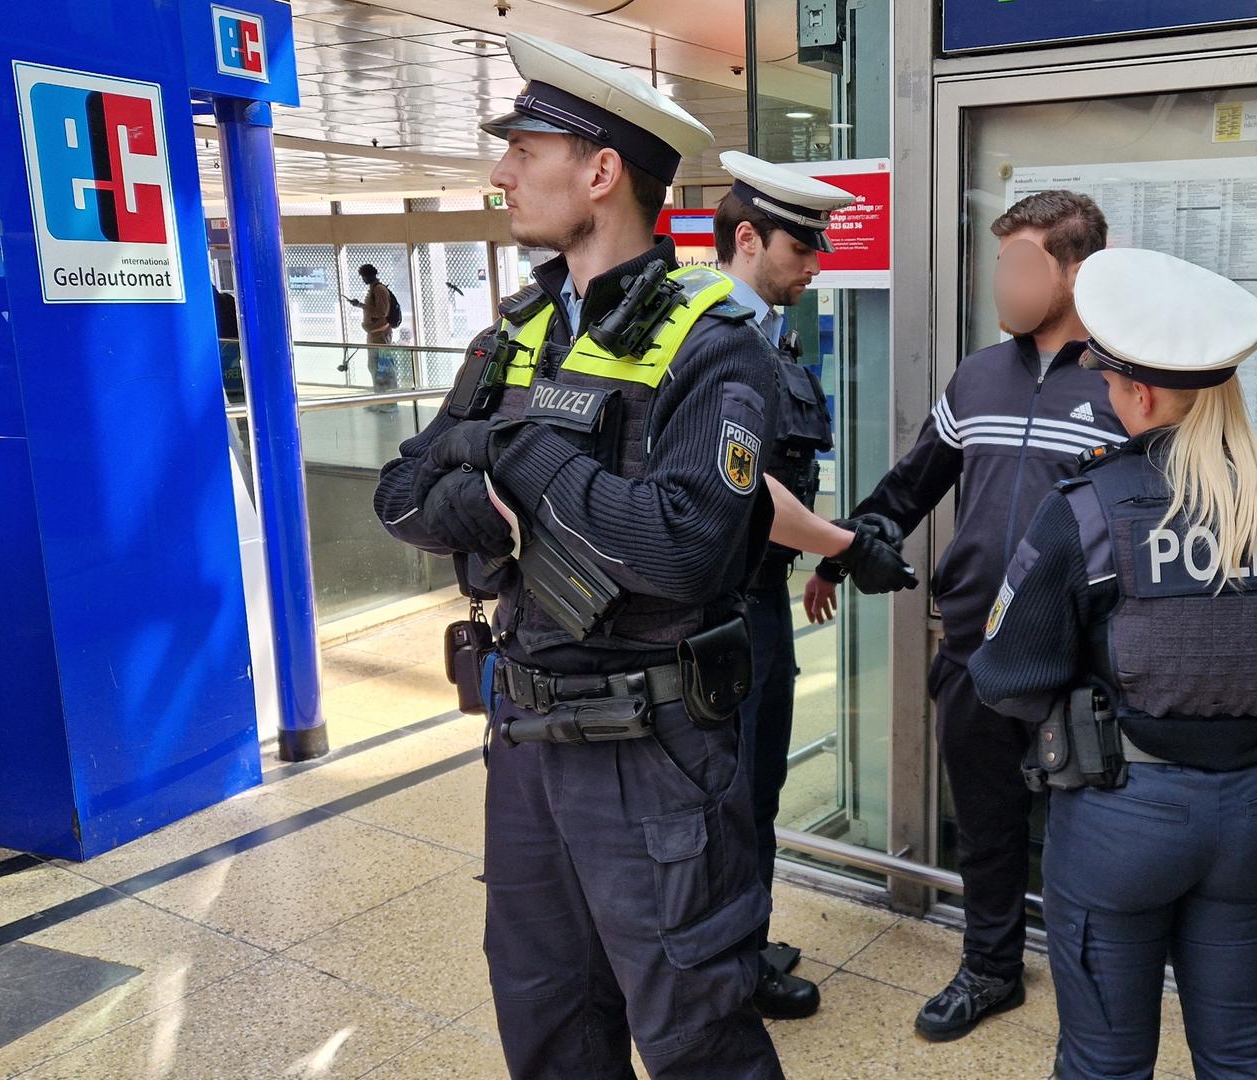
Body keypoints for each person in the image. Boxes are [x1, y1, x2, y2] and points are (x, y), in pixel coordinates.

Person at [373, 34, 785, 1080]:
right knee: (547, 1017)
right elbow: (403, 495)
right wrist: (508, 480)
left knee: (698, 1035)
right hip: (525, 734)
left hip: (655, 749)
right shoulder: (514, 333)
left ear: (600, 173)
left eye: (525, 149)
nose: (502, 172)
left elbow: (680, 549)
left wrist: (516, 454)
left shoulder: (712, 341)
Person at [969, 247, 1257, 1080]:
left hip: (1120, 817)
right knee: (1245, 1054)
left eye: (1112, 385)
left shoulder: (1084, 510)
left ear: (1140, 392)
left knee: (1105, 1062)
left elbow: (1007, 677)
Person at [806, 190, 1128, 1041]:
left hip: (1083, 659)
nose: (1002, 283)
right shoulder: (979, 374)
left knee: (1088, 832)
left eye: (1022, 266)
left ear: (1077, 273)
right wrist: (848, 547)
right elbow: (915, 482)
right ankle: (990, 970)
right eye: (1000, 264)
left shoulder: (1127, 384)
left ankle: (1098, 986)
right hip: (978, 650)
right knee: (987, 825)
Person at [714, 149, 918, 1020]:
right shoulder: (712, 339)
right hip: (716, 612)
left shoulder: (766, 336)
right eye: (803, 245)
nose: (817, 261)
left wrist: (817, 558)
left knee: (758, 789)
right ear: (749, 237)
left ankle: (746, 940)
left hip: (757, 596)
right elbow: (740, 489)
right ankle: (728, 970)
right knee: (730, 797)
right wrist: (845, 544)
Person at [349, 263, 397, 407]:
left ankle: (390, 402)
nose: (363, 279)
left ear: (369, 275)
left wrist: (361, 306)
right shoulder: (373, 289)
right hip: (374, 335)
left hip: (380, 336)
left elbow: (382, 312)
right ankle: (380, 400)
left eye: (363, 276)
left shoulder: (379, 290)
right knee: (374, 367)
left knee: (385, 368)